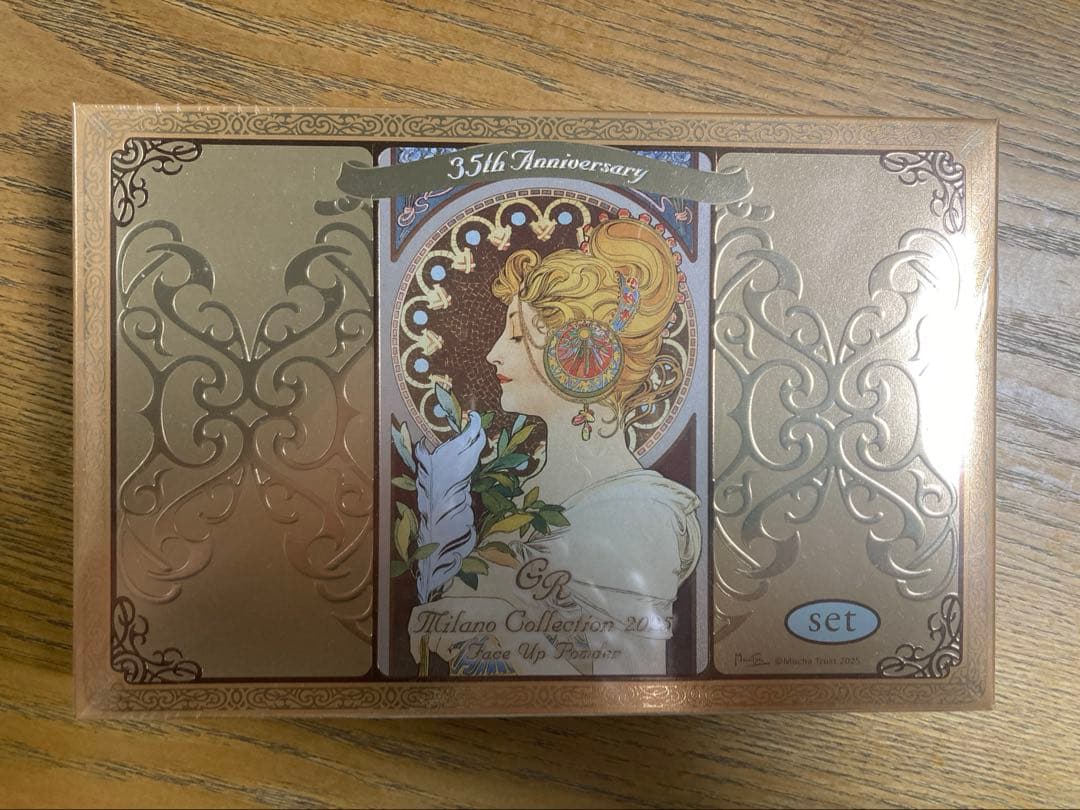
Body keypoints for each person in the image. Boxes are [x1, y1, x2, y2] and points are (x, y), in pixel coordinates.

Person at [409, 215, 701, 676]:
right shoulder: (527, 493)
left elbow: (632, 687)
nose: (493, 353)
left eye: (516, 334)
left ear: (576, 354)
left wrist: (496, 628)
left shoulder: (641, 513)